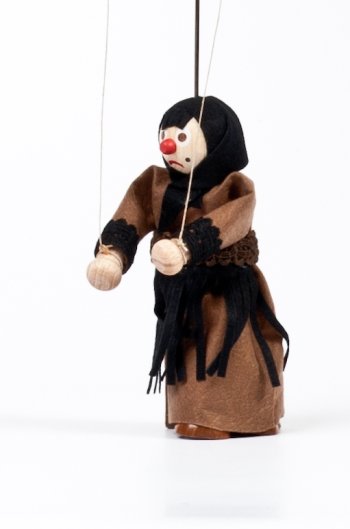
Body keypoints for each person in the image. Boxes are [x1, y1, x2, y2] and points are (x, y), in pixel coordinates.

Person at [87, 96, 289, 440]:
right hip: (184, 291)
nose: (169, 146)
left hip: (228, 289)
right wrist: (113, 255)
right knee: (190, 350)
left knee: (236, 349)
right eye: (166, 136)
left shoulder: (234, 187)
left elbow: (232, 220)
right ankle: (199, 413)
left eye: (182, 137)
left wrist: (186, 246)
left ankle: (251, 416)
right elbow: (132, 215)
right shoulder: (156, 184)